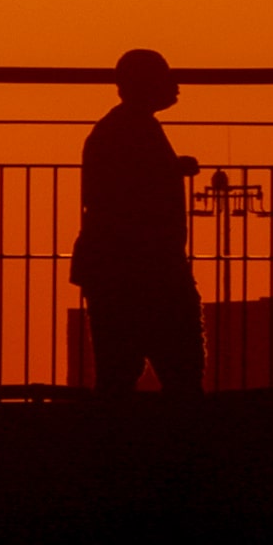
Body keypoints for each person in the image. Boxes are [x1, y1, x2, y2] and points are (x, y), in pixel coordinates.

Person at [70, 48, 205, 397]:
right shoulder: (133, 129)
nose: (174, 84)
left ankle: (116, 441)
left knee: (119, 367)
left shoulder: (116, 129)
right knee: (180, 362)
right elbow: (131, 189)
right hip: (146, 266)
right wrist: (173, 171)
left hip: (113, 265)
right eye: (165, 76)